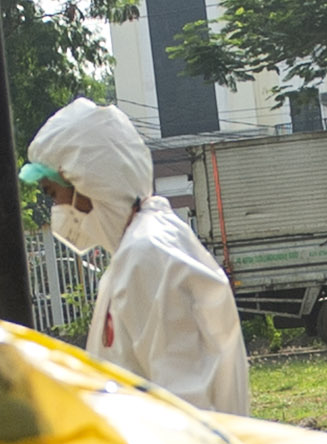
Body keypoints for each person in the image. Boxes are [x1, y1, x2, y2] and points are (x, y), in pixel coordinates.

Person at [24, 95, 251, 413]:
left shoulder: (148, 256)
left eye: (53, 193)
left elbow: (185, 409)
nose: (56, 209)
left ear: (86, 182)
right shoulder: (138, 250)